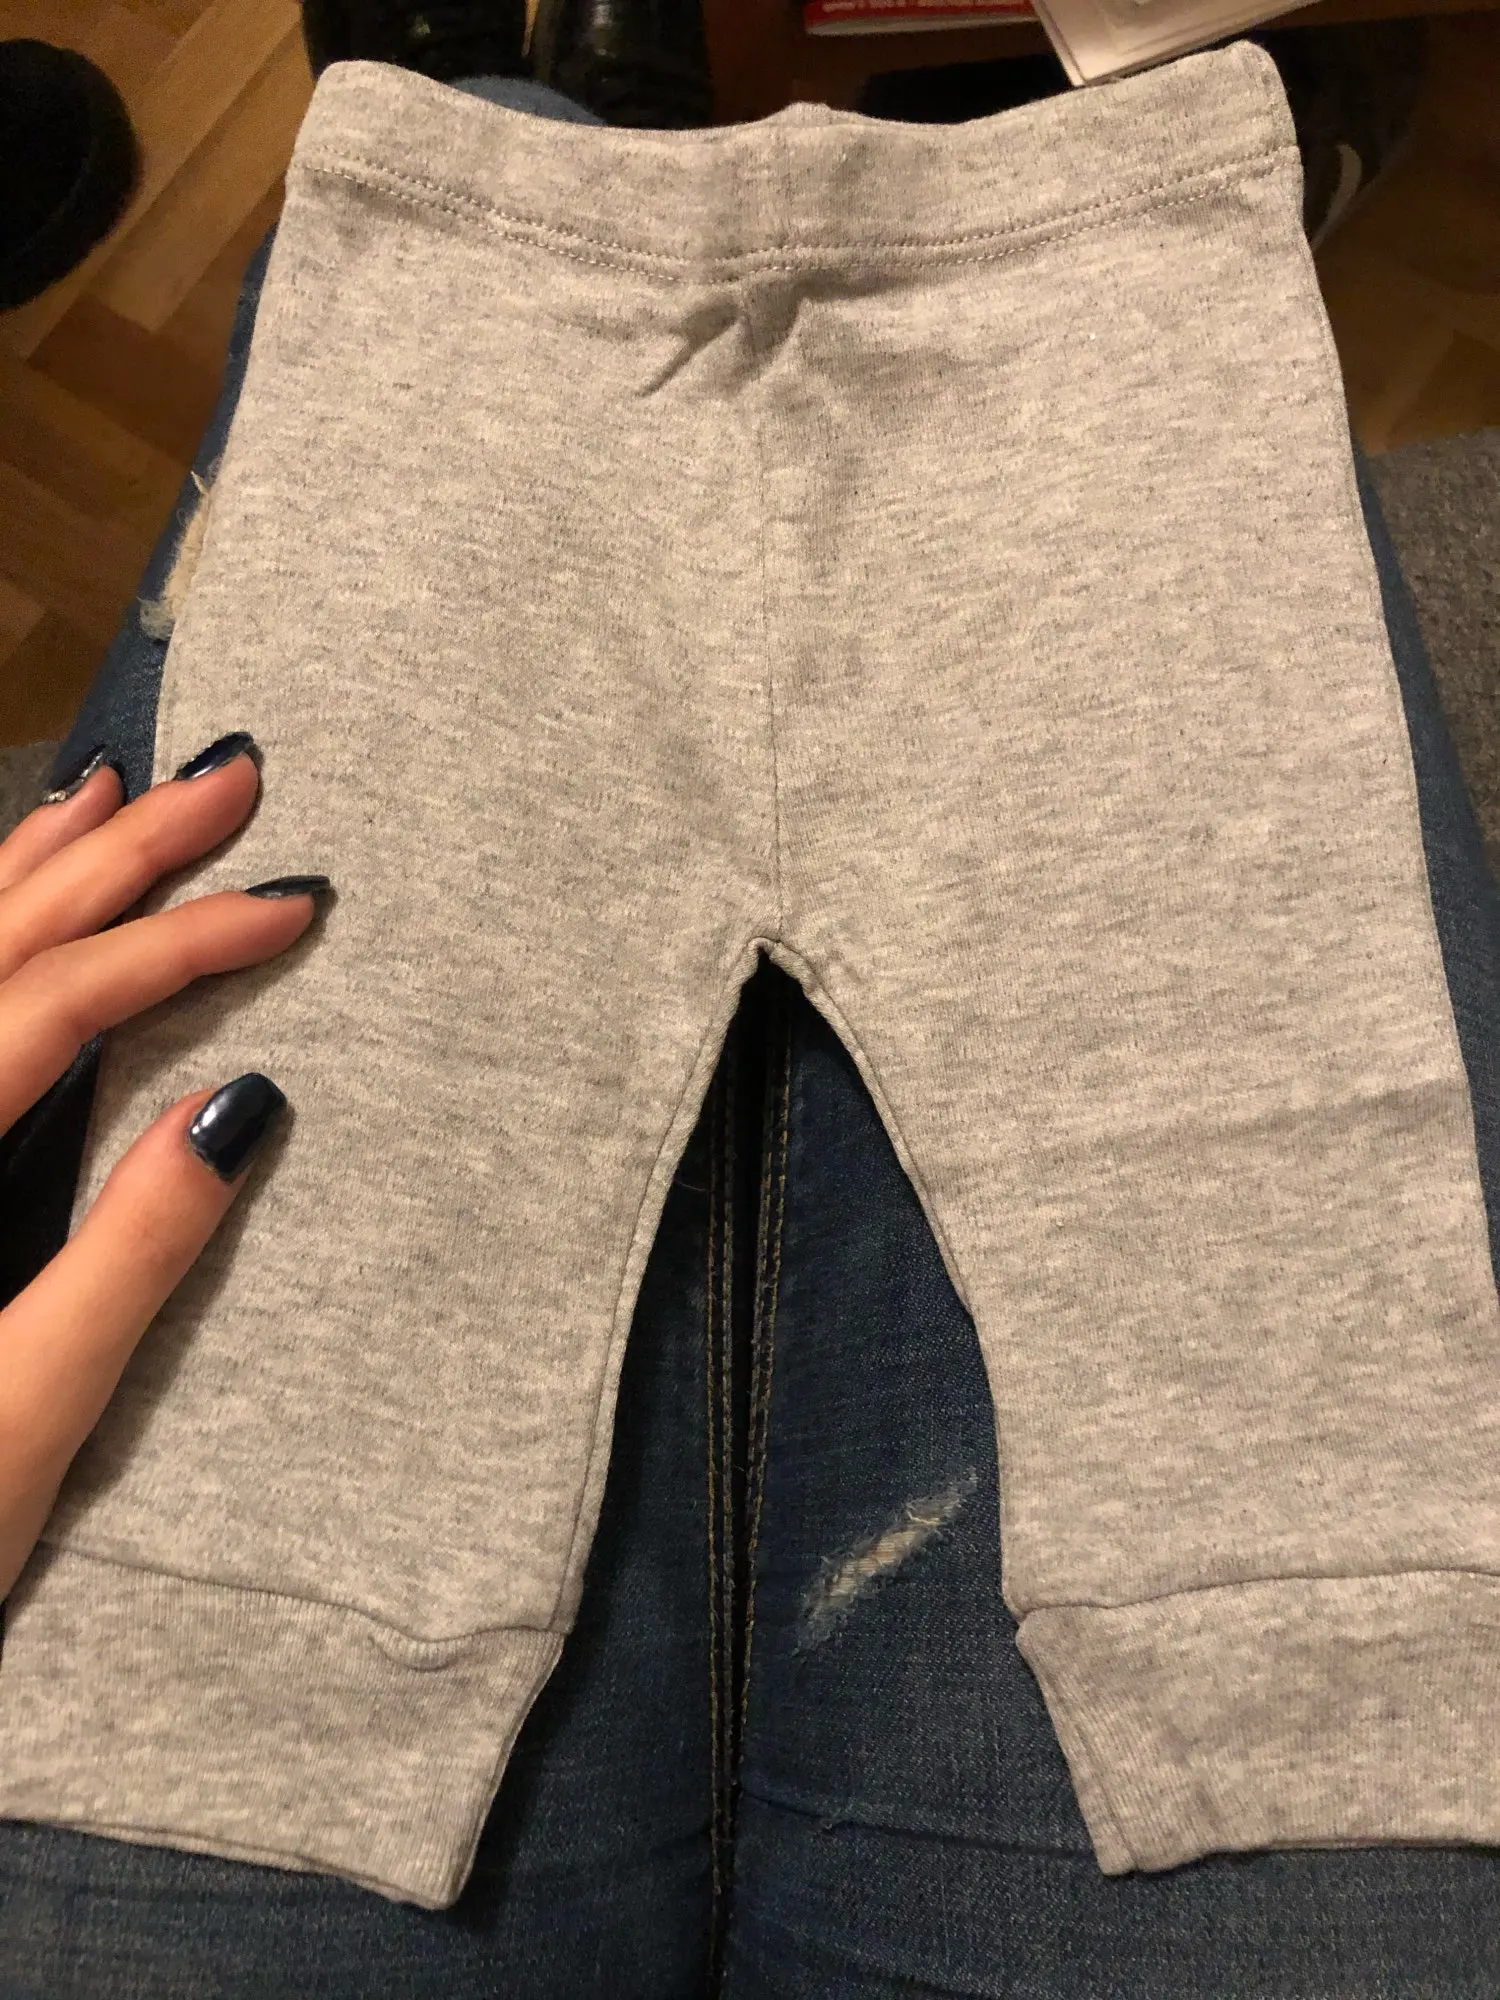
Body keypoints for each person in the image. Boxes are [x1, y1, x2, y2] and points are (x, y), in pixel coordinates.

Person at [5, 5, 1500, 1995]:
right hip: (1083, 334)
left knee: (229, 1638)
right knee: (1318, 1645)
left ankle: (542, 94)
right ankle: (866, 128)